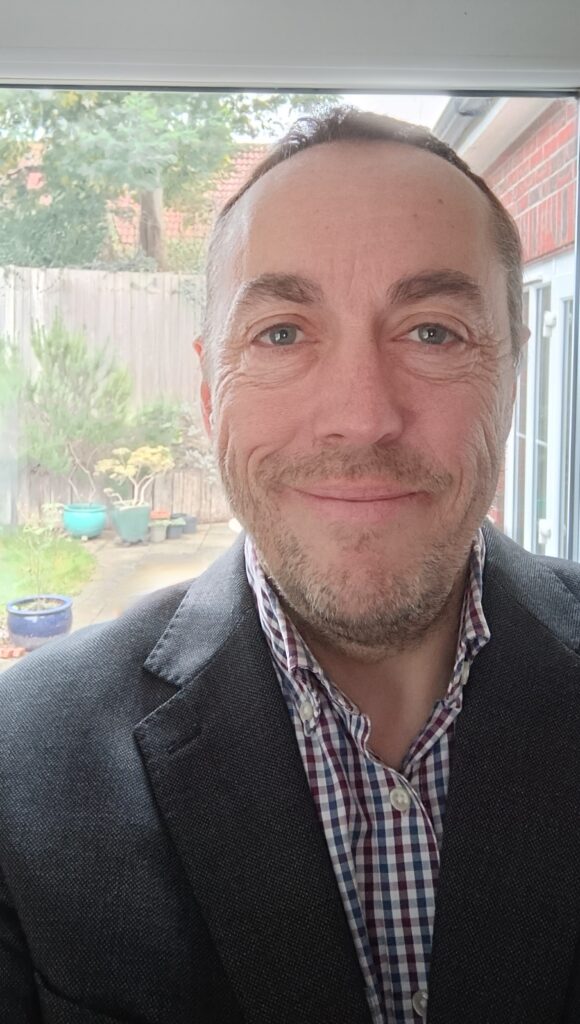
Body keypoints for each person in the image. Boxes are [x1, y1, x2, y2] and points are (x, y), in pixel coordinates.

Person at [1, 107, 580, 1024]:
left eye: (432, 332)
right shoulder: (18, 763)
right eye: (280, 333)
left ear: (512, 373)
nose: (361, 417)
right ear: (208, 390)